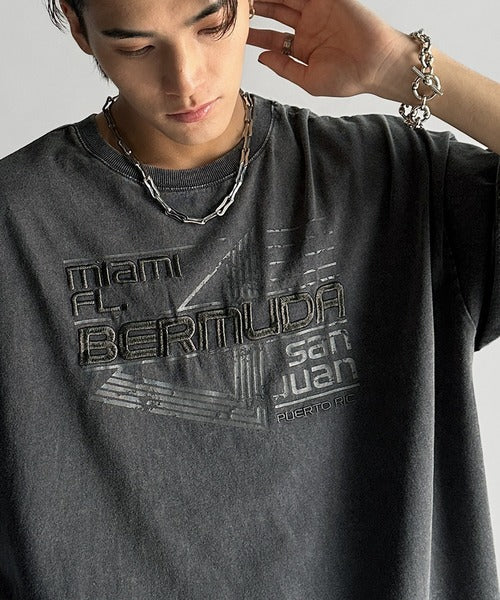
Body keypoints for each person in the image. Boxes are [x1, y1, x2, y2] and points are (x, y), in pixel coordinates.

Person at [0, 0, 498, 598]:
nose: (185, 79)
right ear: (80, 28)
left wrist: (400, 64)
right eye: (136, 46)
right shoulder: (17, 224)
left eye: (212, 26)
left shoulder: (395, 181)